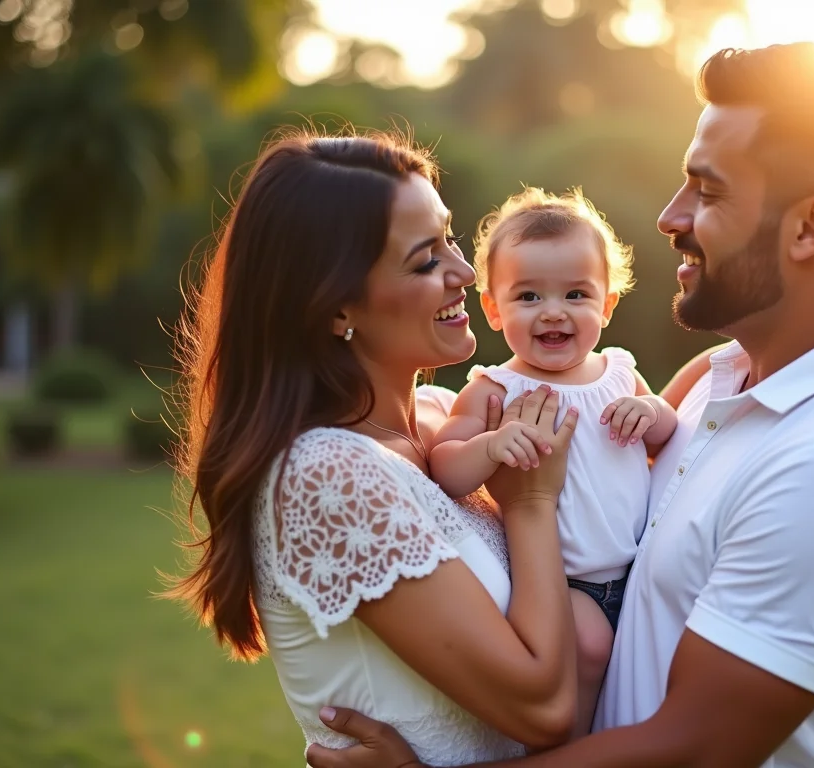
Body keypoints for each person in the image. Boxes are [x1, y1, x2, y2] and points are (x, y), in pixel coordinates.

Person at [304, 41, 814, 768]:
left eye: (708, 192)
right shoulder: (719, 378)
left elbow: (692, 750)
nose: (669, 217)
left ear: (809, 227)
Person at [165, 131, 584, 766]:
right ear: (336, 308)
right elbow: (546, 710)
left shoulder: (451, 424)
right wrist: (530, 504)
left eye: (449, 237)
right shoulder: (326, 473)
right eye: (424, 261)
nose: (466, 274)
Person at [430, 187, 677, 737]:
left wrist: (649, 409)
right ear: (492, 309)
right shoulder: (496, 389)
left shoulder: (619, 371)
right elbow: (444, 466)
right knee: (587, 651)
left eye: (575, 294)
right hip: (563, 582)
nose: (554, 312)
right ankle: (566, 745)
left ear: (607, 304)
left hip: (638, 574)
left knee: (645, 677)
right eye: (528, 297)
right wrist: (490, 447)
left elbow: (667, 435)